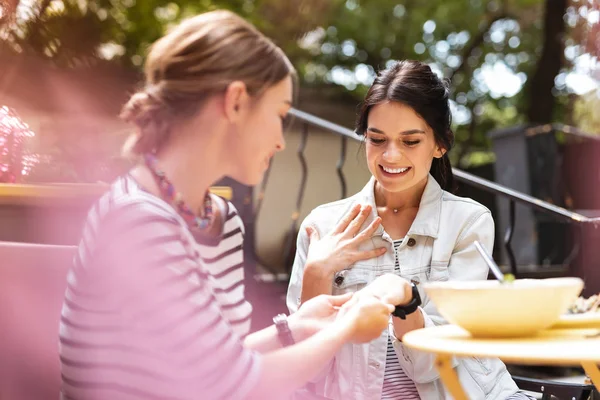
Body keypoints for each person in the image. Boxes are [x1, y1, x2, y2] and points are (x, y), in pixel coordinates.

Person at [58, 10, 406, 400]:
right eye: (279, 115)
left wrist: (296, 327)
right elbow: (232, 386)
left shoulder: (221, 221)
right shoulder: (138, 220)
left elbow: (218, 361)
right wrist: (345, 327)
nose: (280, 140)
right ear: (237, 102)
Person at [287, 60, 530, 399]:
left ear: (440, 144)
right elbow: (302, 370)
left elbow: (433, 363)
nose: (391, 155)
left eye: (410, 141)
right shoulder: (322, 226)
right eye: (377, 139)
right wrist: (316, 273)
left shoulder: (467, 223)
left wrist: (405, 301)